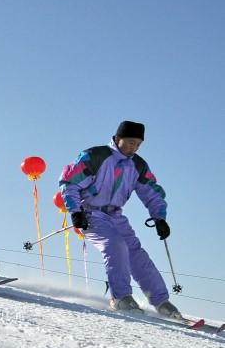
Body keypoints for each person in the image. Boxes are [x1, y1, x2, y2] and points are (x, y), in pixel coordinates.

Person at [59, 120, 181, 319]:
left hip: (115, 215)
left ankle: (161, 301)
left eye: (139, 144)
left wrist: (159, 218)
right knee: (115, 245)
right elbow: (70, 182)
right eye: (131, 142)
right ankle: (121, 297)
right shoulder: (96, 156)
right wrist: (75, 210)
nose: (135, 147)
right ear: (118, 138)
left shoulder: (138, 165)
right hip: (90, 213)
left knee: (136, 254)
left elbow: (152, 192)